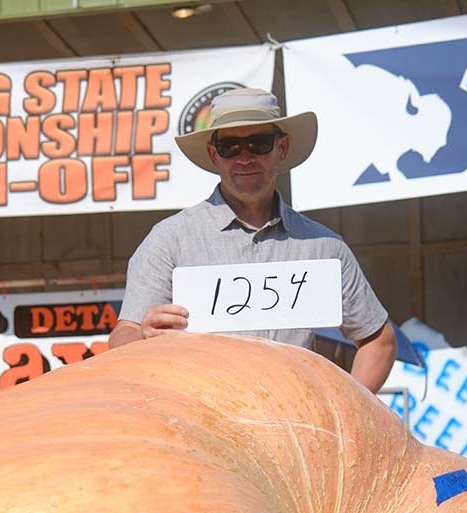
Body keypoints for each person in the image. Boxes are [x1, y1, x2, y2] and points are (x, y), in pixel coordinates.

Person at [107, 88, 399, 393]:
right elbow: (120, 337)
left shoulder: (325, 247)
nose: (245, 158)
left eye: (258, 144)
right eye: (230, 146)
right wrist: (142, 335)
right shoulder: (168, 240)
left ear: (281, 148)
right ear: (214, 154)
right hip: (200, 427)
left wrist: (345, 413)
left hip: (293, 431)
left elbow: (379, 340)